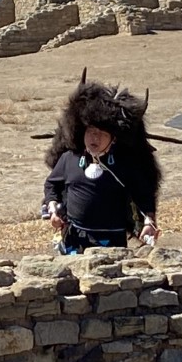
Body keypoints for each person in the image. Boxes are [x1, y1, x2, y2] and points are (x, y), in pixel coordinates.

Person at [42, 78, 161, 254]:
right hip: (74, 238)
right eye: (90, 132)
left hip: (112, 240)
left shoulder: (126, 164)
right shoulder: (69, 158)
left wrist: (149, 222)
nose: (94, 138)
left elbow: (143, 195)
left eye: (101, 133)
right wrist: (53, 210)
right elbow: (52, 185)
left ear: (113, 139)